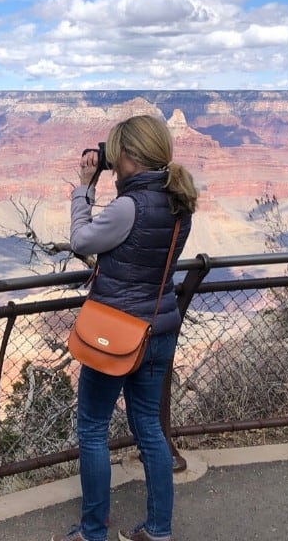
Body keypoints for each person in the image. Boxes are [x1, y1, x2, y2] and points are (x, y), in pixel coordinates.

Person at [53, 114, 199, 541]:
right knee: (150, 429)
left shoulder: (128, 206)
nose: (113, 163)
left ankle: (92, 532)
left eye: (117, 156)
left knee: (94, 427)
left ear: (133, 157)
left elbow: (81, 241)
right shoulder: (179, 201)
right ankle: (158, 531)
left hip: (117, 332)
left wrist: (85, 187)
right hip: (160, 329)